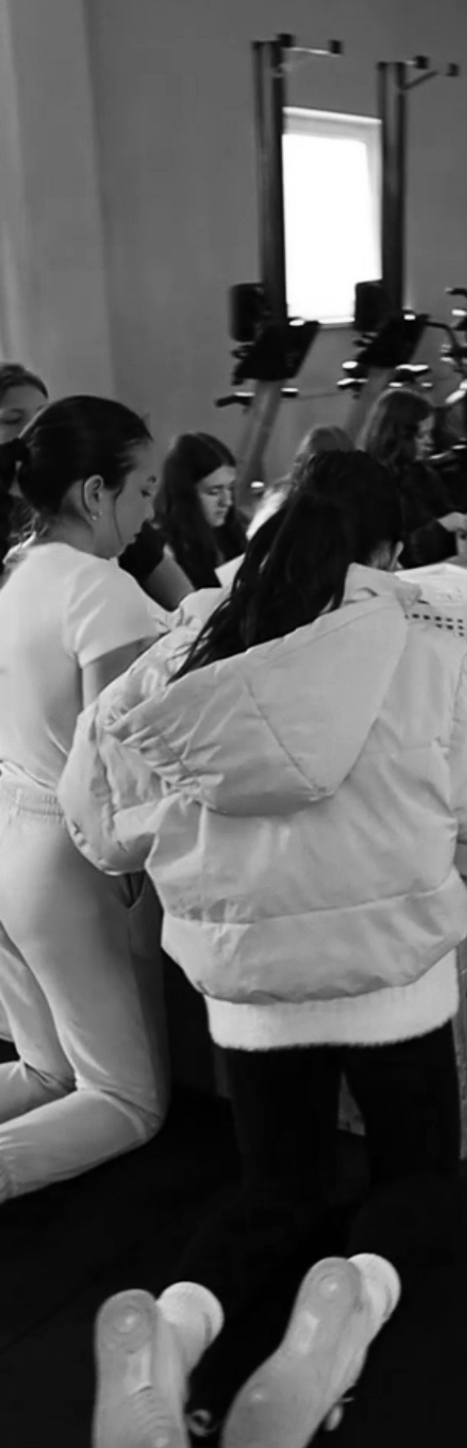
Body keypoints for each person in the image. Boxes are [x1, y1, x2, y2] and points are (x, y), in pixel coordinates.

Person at [60, 450, 467, 1448]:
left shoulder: (193, 645)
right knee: (415, 1181)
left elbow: (106, 825)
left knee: (272, 1188)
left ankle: (180, 1327)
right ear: (384, 549)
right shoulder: (425, 651)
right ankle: (354, 1299)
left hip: (243, 988)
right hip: (392, 984)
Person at [0, 398, 167, 1200]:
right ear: (96, 492)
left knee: (44, 1073)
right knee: (127, 1101)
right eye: (143, 491)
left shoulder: (16, 569)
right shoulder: (99, 589)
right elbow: (112, 763)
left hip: (8, 840)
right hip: (61, 856)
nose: (149, 514)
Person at [0, 364, 192, 609]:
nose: (28, 430)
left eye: (41, 416)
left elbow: (183, 598)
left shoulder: (109, 512)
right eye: (12, 420)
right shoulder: (90, 579)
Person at [360, 387, 467, 566]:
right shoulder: (368, 484)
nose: (429, 442)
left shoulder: (421, 472)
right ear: (398, 436)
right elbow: (391, 556)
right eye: (421, 435)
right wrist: (441, 527)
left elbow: (449, 514)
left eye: (429, 433)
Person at [154, 432, 246, 591]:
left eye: (230, 488)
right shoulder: (164, 550)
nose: (227, 501)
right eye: (214, 492)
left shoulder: (231, 534)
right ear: (185, 494)